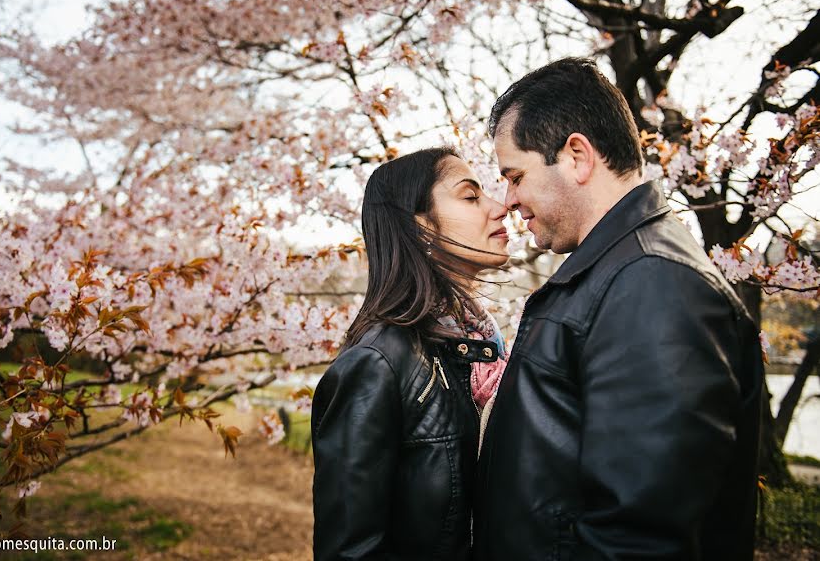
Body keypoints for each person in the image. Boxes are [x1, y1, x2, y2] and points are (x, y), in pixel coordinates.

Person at [473, 57, 764, 560]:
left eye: (515, 176)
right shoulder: (616, 273)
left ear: (577, 156)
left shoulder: (653, 284)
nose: (509, 199)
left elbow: (640, 537)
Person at [312, 147, 510, 561]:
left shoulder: (482, 350)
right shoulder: (377, 364)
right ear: (419, 227)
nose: (501, 206)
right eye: (471, 197)